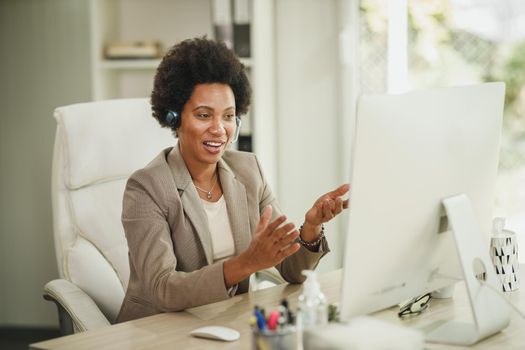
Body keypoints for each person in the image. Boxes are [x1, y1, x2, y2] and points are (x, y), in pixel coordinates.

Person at [116, 37, 349, 322]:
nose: (219, 129)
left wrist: (311, 227)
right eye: (204, 115)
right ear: (174, 118)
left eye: (228, 116)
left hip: (225, 322)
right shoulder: (146, 188)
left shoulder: (248, 170)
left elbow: (291, 270)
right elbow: (163, 289)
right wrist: (246, 264)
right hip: (156, 331)